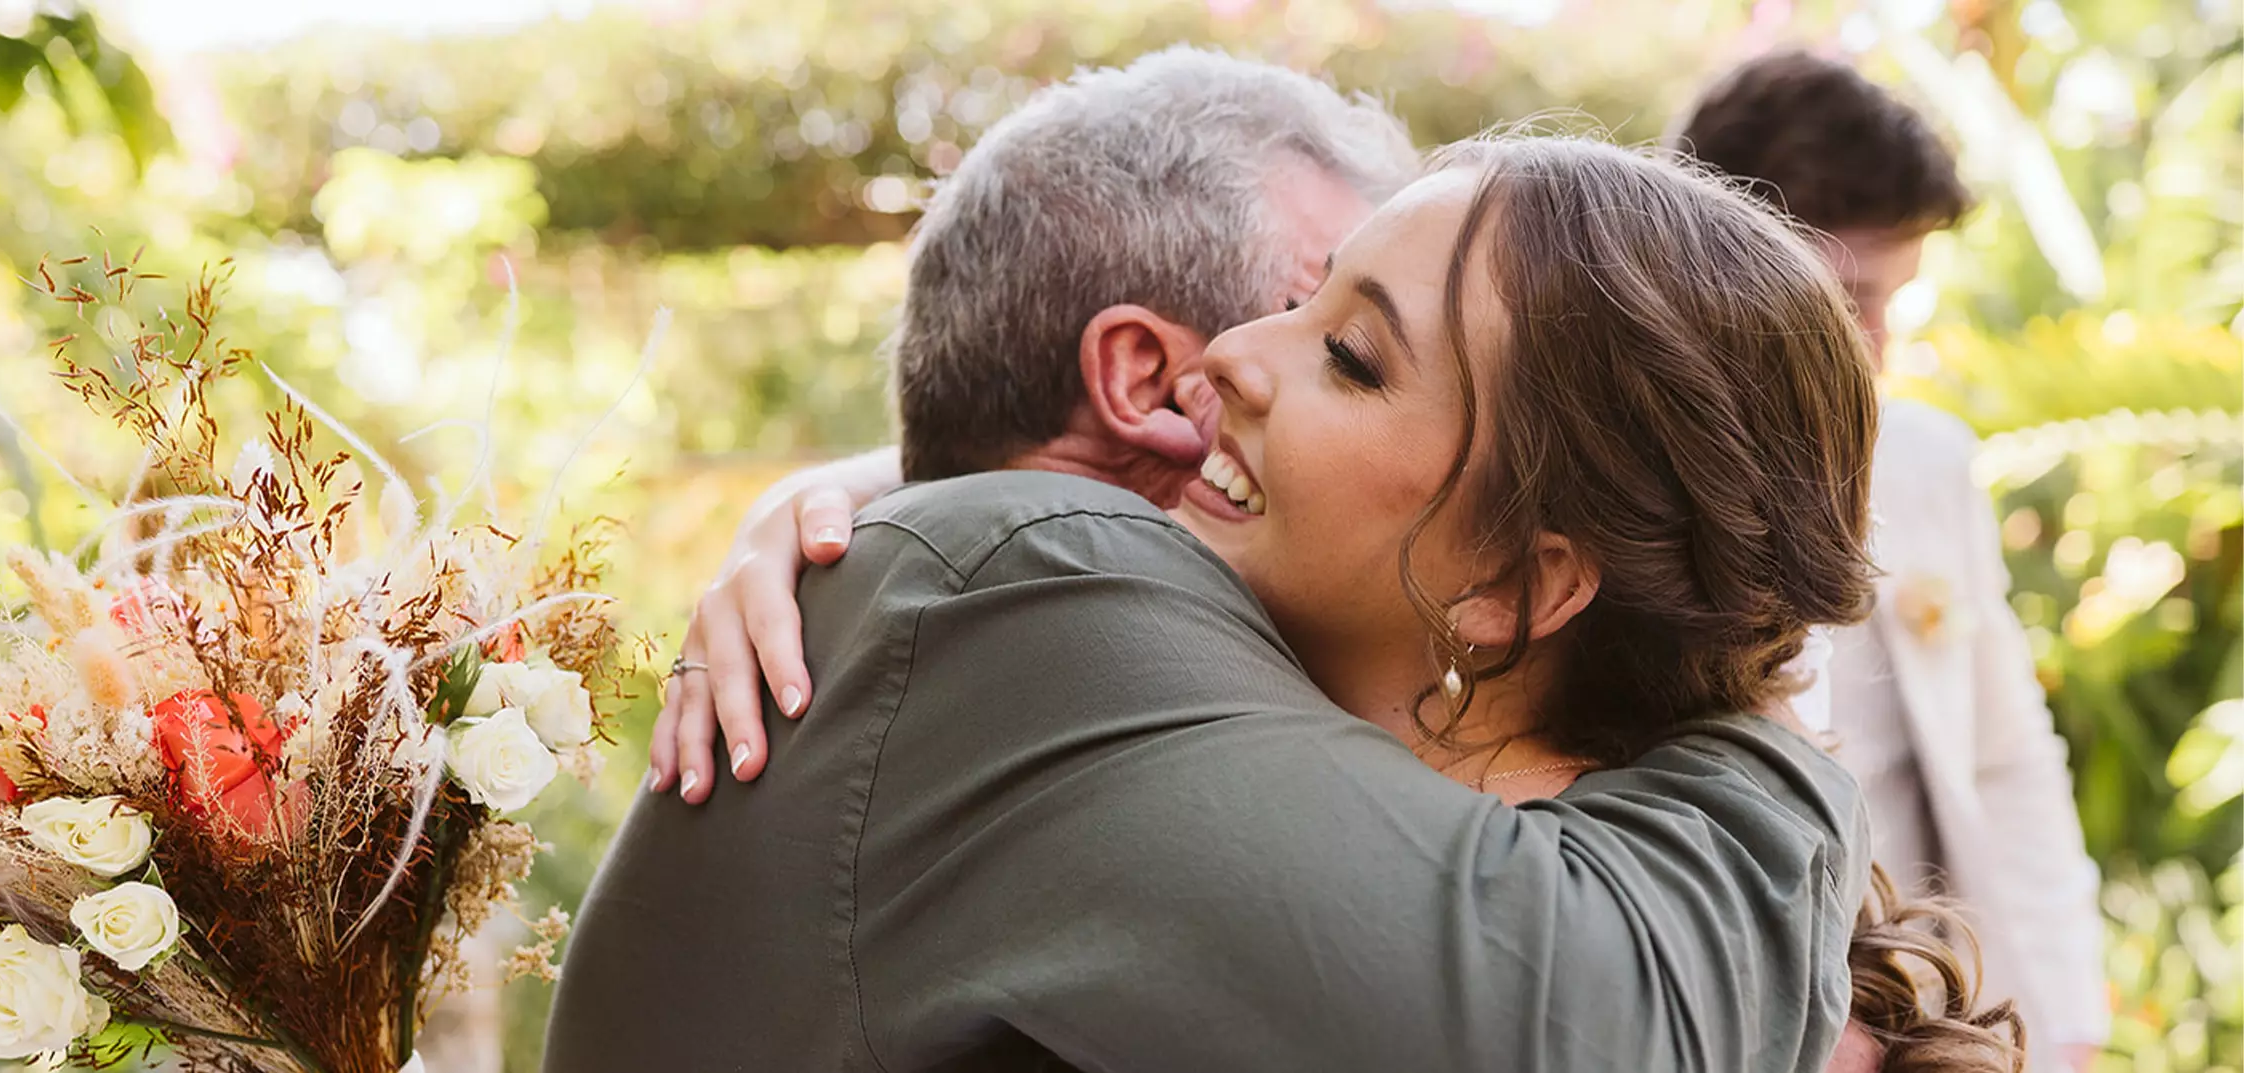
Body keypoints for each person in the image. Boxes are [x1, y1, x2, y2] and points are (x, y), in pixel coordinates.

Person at [546, 55, 1877, 1070]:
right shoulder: (1017, 592)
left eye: (1349, 354)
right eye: (1305, 296)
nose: (1235, 356)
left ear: (1518, 589)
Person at [1675, 49, 2109, 1073]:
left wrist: (2062, 1022)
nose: (1874, 346)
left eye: (1893, 302)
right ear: (1714, 259)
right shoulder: (1611, 480)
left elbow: (2006, 761)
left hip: (1927, 1011)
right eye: (1848, 296)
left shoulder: (1923, 459)